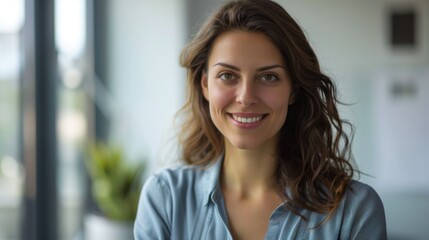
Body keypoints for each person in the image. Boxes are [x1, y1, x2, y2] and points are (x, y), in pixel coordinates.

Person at [134, 0, 387, 239]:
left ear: (294, 89)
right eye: (227, 75)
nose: (246, 97)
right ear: (205, 85)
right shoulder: (164, 200)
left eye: (268, 77)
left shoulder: (353, 211)